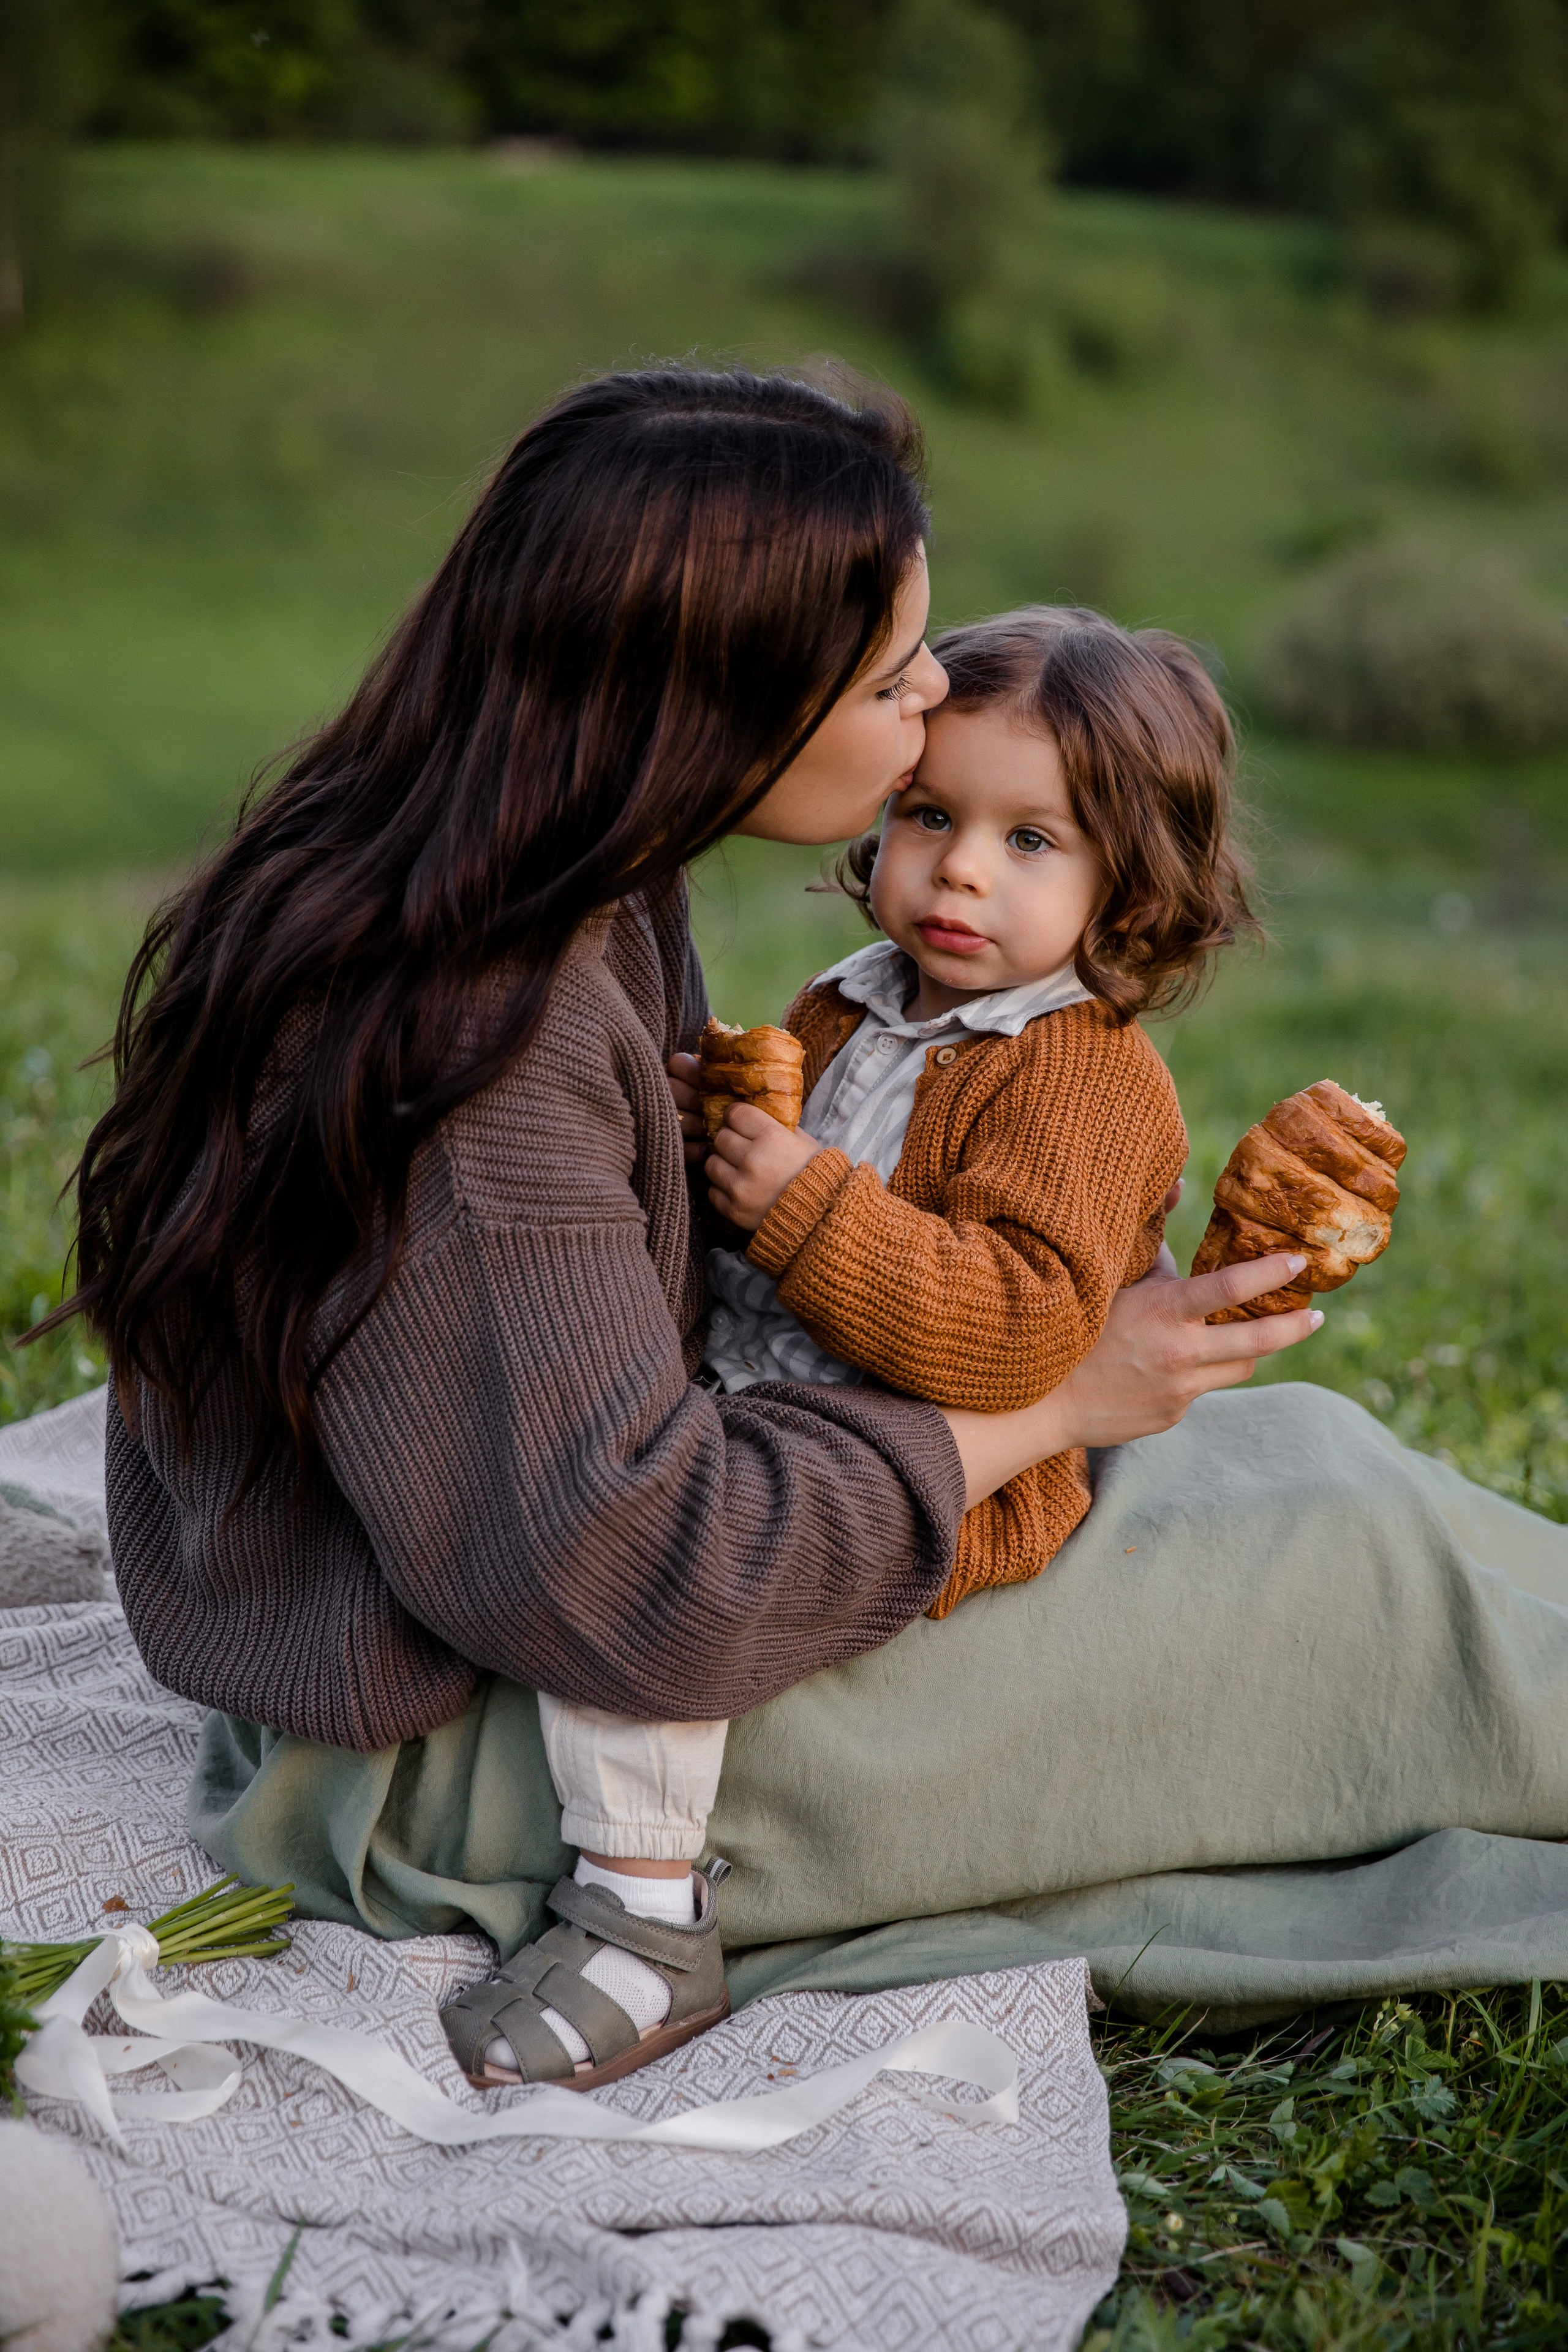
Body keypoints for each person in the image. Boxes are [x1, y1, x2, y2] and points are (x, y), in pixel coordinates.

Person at [56, 364, 1355, 2092]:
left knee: (1314, 1477)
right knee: (1341, 1590)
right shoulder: (485, 1048)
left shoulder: (523, 869)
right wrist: (1063, 1403)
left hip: (498, 1584)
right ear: (722, 697)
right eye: (894, 679)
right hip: (467, 1744)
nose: (932, 702)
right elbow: (640, 1581)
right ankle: (649, 1928)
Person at [500, 605, 1275, 2086]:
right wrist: (709, 1144)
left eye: (1032, 840)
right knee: (602, 1476)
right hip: (780, 1392)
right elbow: (776, 1211)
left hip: (939, 1460)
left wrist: (800, 1206)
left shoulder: (1082, 1081)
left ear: (1131, 887)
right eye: (932, 813)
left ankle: (642, 1910)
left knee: (651, 1594)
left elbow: (1011, 1331)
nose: (961, 868)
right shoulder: (842, 1009)